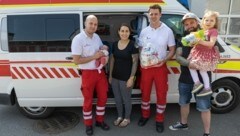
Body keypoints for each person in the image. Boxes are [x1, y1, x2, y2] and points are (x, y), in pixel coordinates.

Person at [169, 12, 212, 136]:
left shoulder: (207, 36)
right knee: (184, 103)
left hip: (203, 82)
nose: (189, 26)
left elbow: (216, 53)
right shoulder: (182, 39)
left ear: (197, 22)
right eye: (186, 24)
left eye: (191, 23)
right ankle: (183, 124)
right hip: (185, 79)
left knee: (204, 107)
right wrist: (189, 64)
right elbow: (178, 57)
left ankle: (207, 133)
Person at [137, 4, 176, 133]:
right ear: (148, 15)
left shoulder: (167, 30)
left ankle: (159, 119)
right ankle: (145, 115)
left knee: (161, 93)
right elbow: (141, 48)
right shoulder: (144, 31)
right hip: (146, 68)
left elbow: (172, 50)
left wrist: (164, 60)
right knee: (145, 92)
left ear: (160, 15)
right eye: (151, 14)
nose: (153, 16)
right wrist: (142, 61)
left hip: (160, 67)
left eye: (156, 14)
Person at [71, 15, 110, 136]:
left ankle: (99, 121)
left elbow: (100, 49)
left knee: (103, 97)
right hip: (87, 74)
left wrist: (103, 48)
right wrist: (94, 57)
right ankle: (88, 124)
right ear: (85, 24)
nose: (93, 26)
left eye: (95, 24)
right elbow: (76, 60)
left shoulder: (96, 37)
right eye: (91, 23)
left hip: (99, 72)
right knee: (88, 101)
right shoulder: (78, 39)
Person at [109, 23, 139, 128]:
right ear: (119, 32)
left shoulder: (133, 45)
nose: (124, 33)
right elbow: (112, 60)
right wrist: (110, 75)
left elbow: (135, 62)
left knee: (126, 99)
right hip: (115, 76)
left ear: (129, 33)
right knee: (117, 98)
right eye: (122, 31)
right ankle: (120, 116)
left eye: (126, 31)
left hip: (126, 77)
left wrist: (131, 77)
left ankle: (127, 118)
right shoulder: (114, 44)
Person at [186, 10, 220, 97]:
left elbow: (211, 44)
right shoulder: (203, 30)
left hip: (204, 54)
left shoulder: (213, 31)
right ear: (203, 21)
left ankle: (205, 86)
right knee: (193, 67)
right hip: (198, 52)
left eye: (212, 20)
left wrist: (200, 41)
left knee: (201, 70)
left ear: (215, 22)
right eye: (207, 20)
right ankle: (200, 84)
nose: (209, 22)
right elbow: (198, 41)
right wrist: (193, 42)